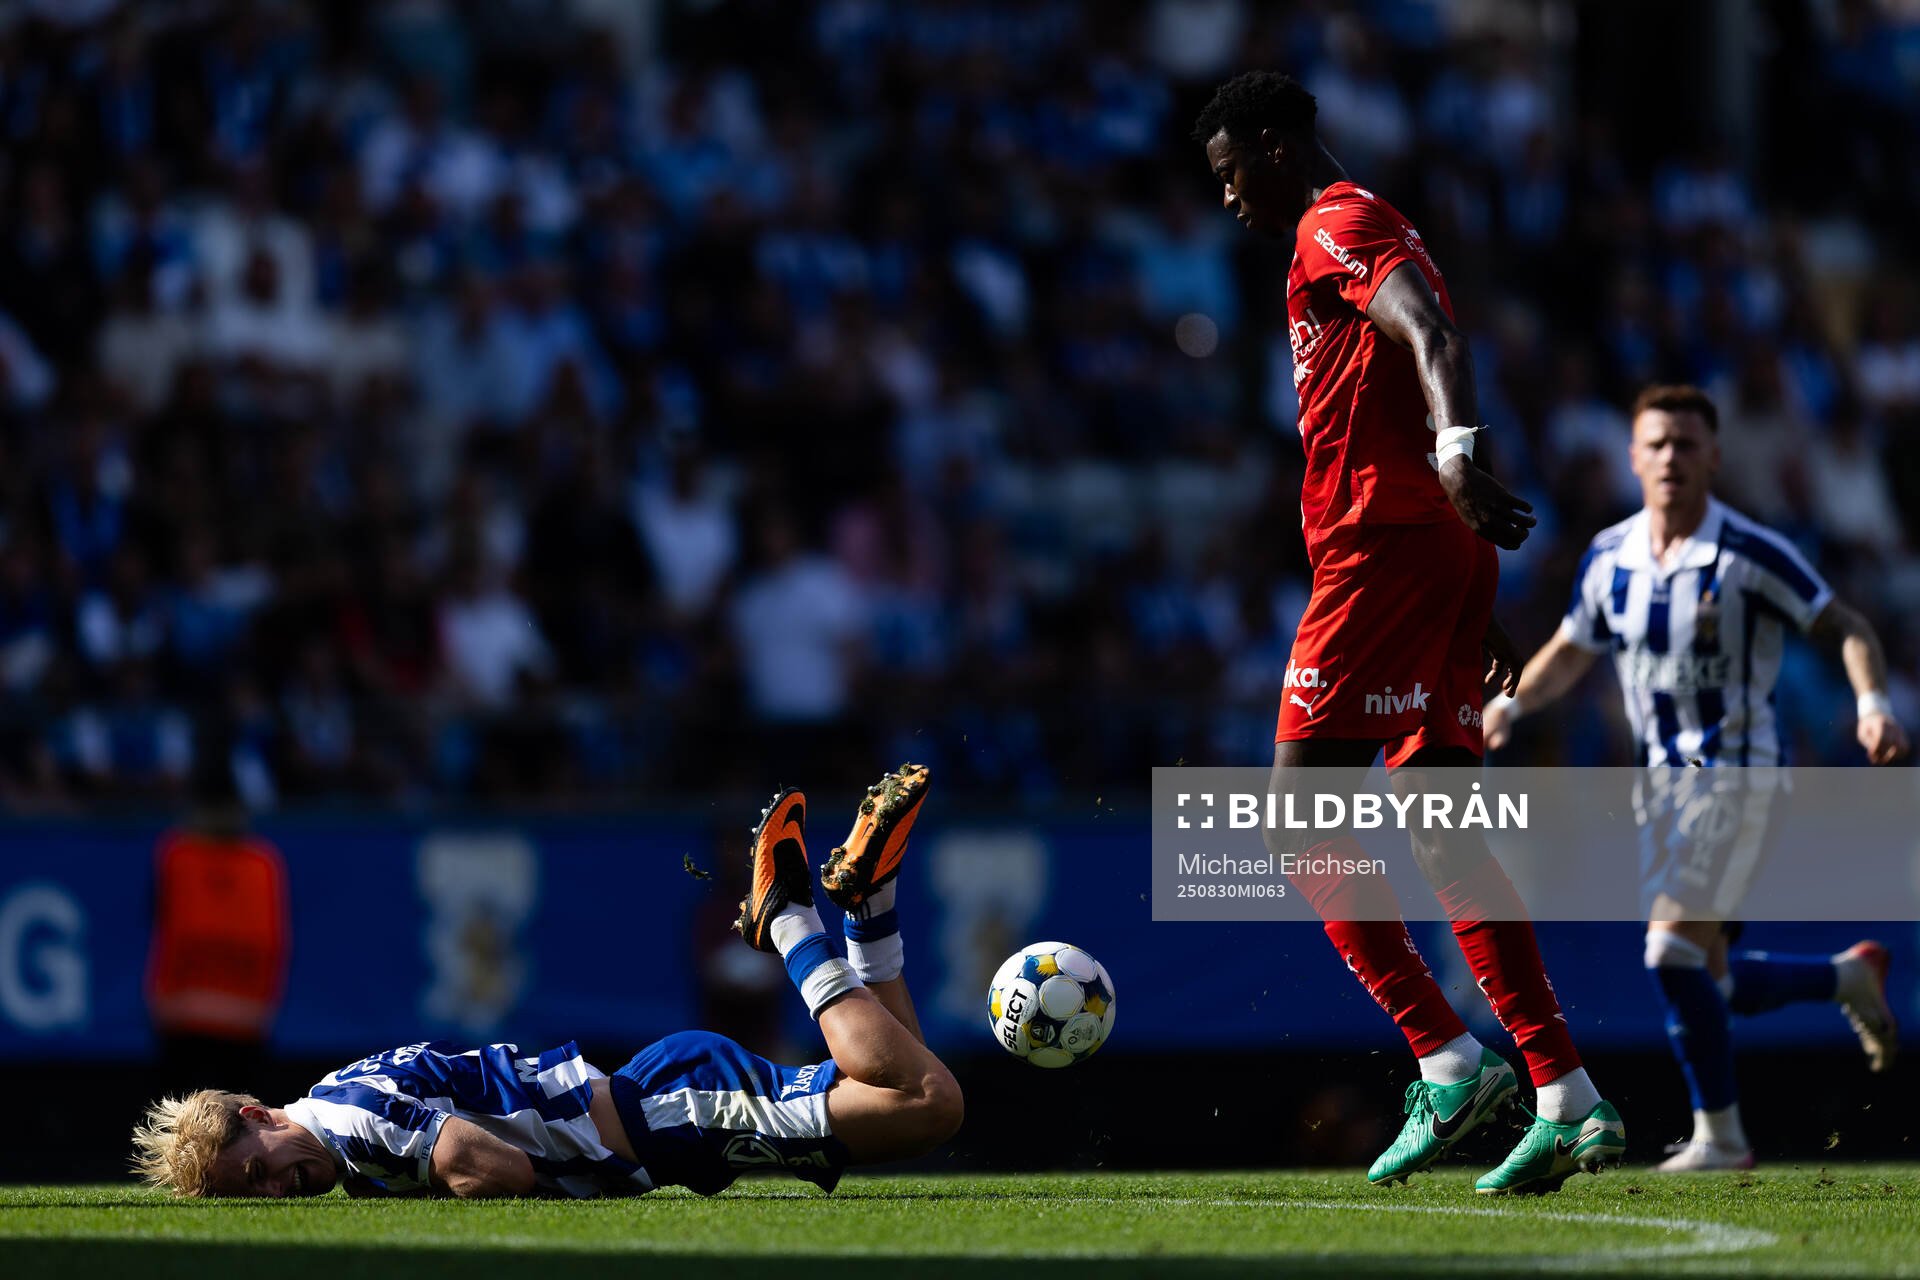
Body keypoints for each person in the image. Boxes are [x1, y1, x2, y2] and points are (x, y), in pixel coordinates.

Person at [1194, 70, 1624, 1194]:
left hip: (1383, 541)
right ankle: (1564, 1090)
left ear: (1277, 147)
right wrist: (1460, 564)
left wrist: (1452, 459)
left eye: (1234, 172)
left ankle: (1444, 1054)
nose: (1231, 197)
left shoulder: (1336, 223)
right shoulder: (1365, 223)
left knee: (1296, 819)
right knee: (1440, 825)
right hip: (1427, 551)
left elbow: (1429, 329)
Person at [131, 765, 958, 1199]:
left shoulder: (349, 1124)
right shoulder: (337, 1110)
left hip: (666, 1115)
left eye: (258, 1170)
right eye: (262, 1196)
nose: (279, 1188)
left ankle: (787, 919)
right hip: (658, 1108)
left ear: (257, 1114)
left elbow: (498, 1172)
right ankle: (868, 903)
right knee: (904, 1088)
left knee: (926, 1104)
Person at [1484, 384, 1906, 1172]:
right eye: (1657, 443)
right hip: (1661, 791)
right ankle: (1849, 976)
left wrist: (1872, 705)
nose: (1672, 457)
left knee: (1669, 951)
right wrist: (1510, 705)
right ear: (1634, 456)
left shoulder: (1748, 552)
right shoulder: (1611, 556)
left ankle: (1722, 1137)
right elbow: (1574, 648)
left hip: (1742, 778)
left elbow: (1846, 626)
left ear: (1713, 455)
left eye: (1687, 443)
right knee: (1710, 977)